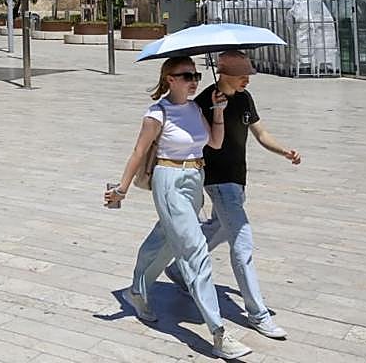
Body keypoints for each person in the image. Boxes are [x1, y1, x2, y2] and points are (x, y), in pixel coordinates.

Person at [104, 58, 252, 361]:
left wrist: (219, 111)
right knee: (195, 252)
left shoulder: (196, 108)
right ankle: (219, 332)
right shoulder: (157, 113)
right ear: (169, 79)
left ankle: (138, 290)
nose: (193, 80)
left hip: (194, 180)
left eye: (195, 74)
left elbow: (215, 142)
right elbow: (139, 152)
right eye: (186, 75)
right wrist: (122, 189)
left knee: (166, 239)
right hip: (169, 180)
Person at [161, 51, 298, 340]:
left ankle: (177, 269)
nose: (247, 80)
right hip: (218, 181)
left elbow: (260, 133)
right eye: (242, 75)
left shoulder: (245, 98)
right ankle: (257, 313)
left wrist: (283, 151)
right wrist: (215, 112)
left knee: (220, 227)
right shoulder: (202, 102)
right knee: (242, 242)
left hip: (238, 181)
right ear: (225, 74)